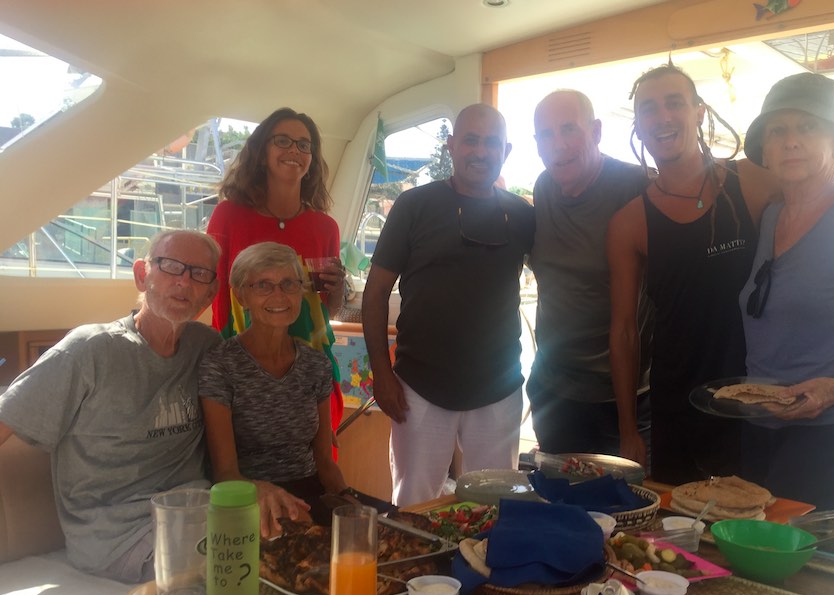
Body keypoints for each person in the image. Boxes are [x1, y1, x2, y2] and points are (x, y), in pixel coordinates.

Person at [608, 65, 834, 485]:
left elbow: (819, 184)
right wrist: (628, 429)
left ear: (700, 111)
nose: (791, 141)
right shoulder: (633, 221)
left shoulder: (752, 182)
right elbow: (623, 331)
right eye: (778, 131)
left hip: (810, 421)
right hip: (721, 412)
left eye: (675, 103)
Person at [0, 229, 222, 583]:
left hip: (199, 514)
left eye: (198, 273)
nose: (183, 281)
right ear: (141, 275)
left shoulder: (207, 348)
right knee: (227, 576)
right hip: (117, 536)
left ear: (210, 294)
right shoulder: (90, 350)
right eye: (170, 267)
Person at [736, 72, 834, 517]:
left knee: (826, 578)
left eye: (808, 127)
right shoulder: (771, 216)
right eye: (778, 131)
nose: (791, 142)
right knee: (765, 570)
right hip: (767, 427)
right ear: (764, 152)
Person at [362, 103, 535, 506]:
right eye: (470, 140)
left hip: (499, 387)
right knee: (414, 504)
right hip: (419, 386)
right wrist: (381, 375)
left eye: (491, 143)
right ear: (452, 146)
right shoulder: (414, 206)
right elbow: (374, 293)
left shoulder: (521, 215)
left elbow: (563, 281)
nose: (480, 151)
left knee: (495, 507)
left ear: (505, 151)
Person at [206, 107, 347, 445]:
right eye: (282, 141)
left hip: (309, 368)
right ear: (262, 151)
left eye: (304, 145)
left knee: (316, 468)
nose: (294, 151)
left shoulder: (325, 227)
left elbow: (329, 311)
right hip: (240, 364)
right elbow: (211, 288)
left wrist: (340, 288)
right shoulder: (228, 216)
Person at [527, 89, 652, 457]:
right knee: (562, 509)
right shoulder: (544, 186)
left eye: (569, 129)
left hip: (624, 398)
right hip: (555, 392)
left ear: (596, 131)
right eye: (546, 135)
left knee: (627, 511)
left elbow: (701, 194)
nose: (558, 144)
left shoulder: (638, 186)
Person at [199, 242, 348, 538]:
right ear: (242, 295)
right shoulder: (220, 364)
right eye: (263, 285)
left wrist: (350, 502)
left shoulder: (316, 365)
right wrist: (273, 500)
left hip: (309, 494)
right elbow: (225, 473)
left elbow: (324, 462)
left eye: (288, 284)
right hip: (248, 497)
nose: (279, 296)